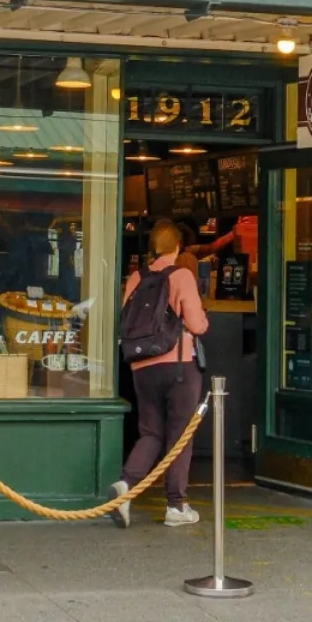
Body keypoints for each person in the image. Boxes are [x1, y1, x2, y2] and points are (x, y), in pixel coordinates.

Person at [111, 219, 210, 528]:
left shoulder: (136, 277)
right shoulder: (182, 275)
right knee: (180, 435)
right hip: (177, 365)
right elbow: (197, 325)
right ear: (178, 246)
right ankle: (176, 506)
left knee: (151, 432)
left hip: (141, 366)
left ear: (152, 246)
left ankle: (126, 486)